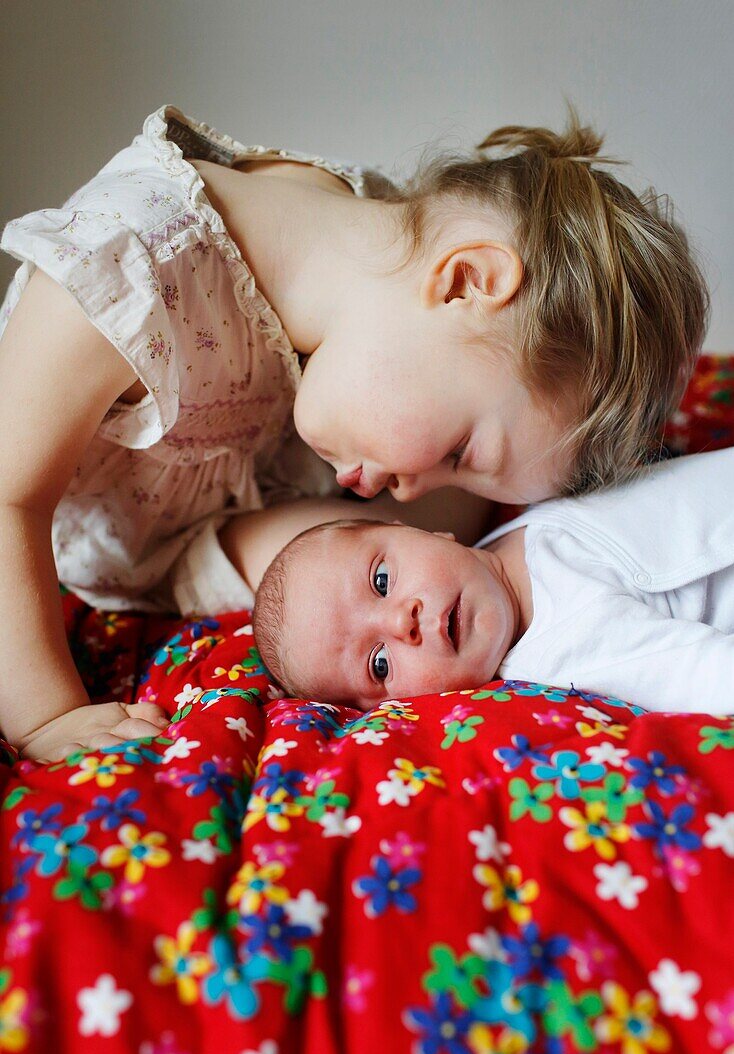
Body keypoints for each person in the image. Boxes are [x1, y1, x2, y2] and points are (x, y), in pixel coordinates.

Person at [0, 105, 708, 761]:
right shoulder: (126, 265)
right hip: (135, 541)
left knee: (408, 559)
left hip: (234, 503)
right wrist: (46, 718)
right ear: (463, 281)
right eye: (460, 453)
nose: (421, 489)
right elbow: (8, 499)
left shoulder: (370, 276)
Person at [252, 448, 734, 714]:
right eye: (379, 665)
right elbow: (702, 673)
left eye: (382, 580)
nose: (404, 622)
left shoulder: (516, 507)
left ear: (421, 531)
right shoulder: (562, 648)